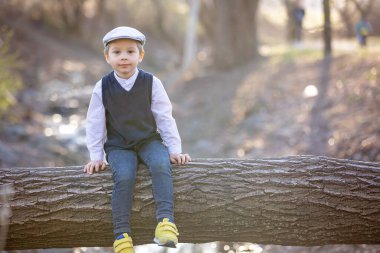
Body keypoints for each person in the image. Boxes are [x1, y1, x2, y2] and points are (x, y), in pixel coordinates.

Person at [84, 26, 191, 253]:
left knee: (161, 164)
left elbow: (164, 117)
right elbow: (95, 124)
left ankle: (165, 223)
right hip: (118, 145)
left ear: (140, 56)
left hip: (148, 140)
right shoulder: (102, 87)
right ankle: (121, 236)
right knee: (124, 176)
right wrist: (96, 156)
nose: (124, 57)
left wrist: (174, 149)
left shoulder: (152, 82)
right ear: (107, 57)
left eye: (130, 52)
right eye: (117, 52)